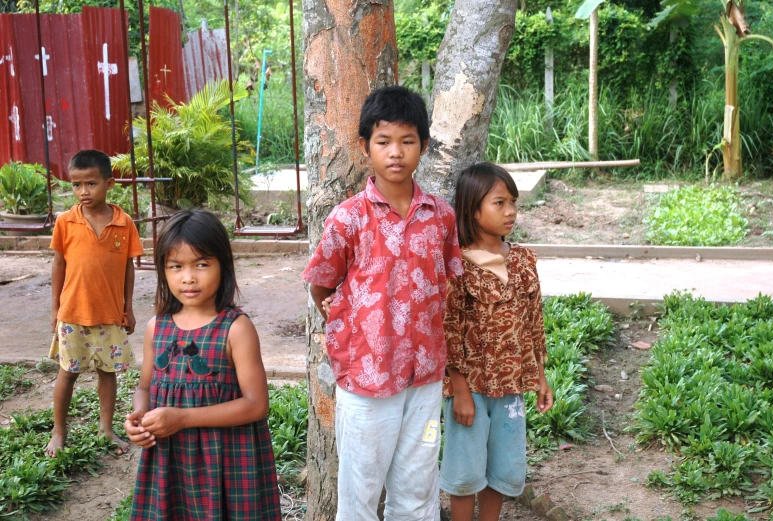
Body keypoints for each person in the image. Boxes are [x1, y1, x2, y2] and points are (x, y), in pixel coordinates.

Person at [301, 85, 463, 521]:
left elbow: (448, 281)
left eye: (408, 141)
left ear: (424, 146)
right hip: (367, 379)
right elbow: (321, 285)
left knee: (418, 482)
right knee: (360, 491)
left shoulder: (441, 216)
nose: (396, 152)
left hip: (425, 376)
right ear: (364, 147)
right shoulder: (348, 218)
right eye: (383, 141)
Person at [123, 210, 281, 521]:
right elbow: (145, 386)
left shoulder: (235, 328)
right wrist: (139, 418)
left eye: (202, 264)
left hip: (228, 463)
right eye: (176, 266)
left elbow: (256, 405)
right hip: (170, 461)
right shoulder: (158, 327)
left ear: (224, 266)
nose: (188, 277)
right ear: (163, 271)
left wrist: (182, 418)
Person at [440, 162, 554, 521]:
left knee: (502, 469)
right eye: (499, 203)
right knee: (465, 472)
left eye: (513, 203)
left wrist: (540, 375)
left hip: (511, 387)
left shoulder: (522, 260)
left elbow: (534, 320)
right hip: (469, 389)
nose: (511, 212)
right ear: (473, 210)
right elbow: (449, 331)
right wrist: (459, 389)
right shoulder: (456, 265)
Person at [46, 149, 143, 457]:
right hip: (73, 313)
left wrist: (128, 306)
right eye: (76, 185)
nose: (83, 192)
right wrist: (55, 309)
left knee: (107, 372)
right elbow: (59, 265)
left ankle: (106, 428)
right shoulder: (65, 222)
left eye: (91, 183)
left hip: (110, 316)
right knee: (67, 373)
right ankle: (58, 431)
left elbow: (129, 267)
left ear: (109, 184)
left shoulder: (123, 223)